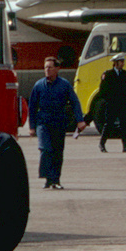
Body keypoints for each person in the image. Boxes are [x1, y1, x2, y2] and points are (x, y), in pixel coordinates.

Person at [28, 57, 84, 189]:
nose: (47, 70)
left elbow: (75, 102)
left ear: (57, 69)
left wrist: (80, 120)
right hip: (43, 123)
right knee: (45, 148)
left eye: (50, 67)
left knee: (58, 152)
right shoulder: (39, 85)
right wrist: (31, 126)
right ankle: (47, 177)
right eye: (45, 67)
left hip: (59, 122)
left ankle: (55, 180)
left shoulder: (64, 85)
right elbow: (32, 106)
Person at [94, 52, 126, 152]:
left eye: (123, 62)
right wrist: (108, 100)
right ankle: (102, 144)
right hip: (112, 104)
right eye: (121, 62)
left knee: (124, 125)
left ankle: (125, 146)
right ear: (115, 63)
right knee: (108, 124)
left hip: (122, 103)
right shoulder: (108, 74)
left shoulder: (125, 74)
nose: (123, 64)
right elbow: (103, 90)